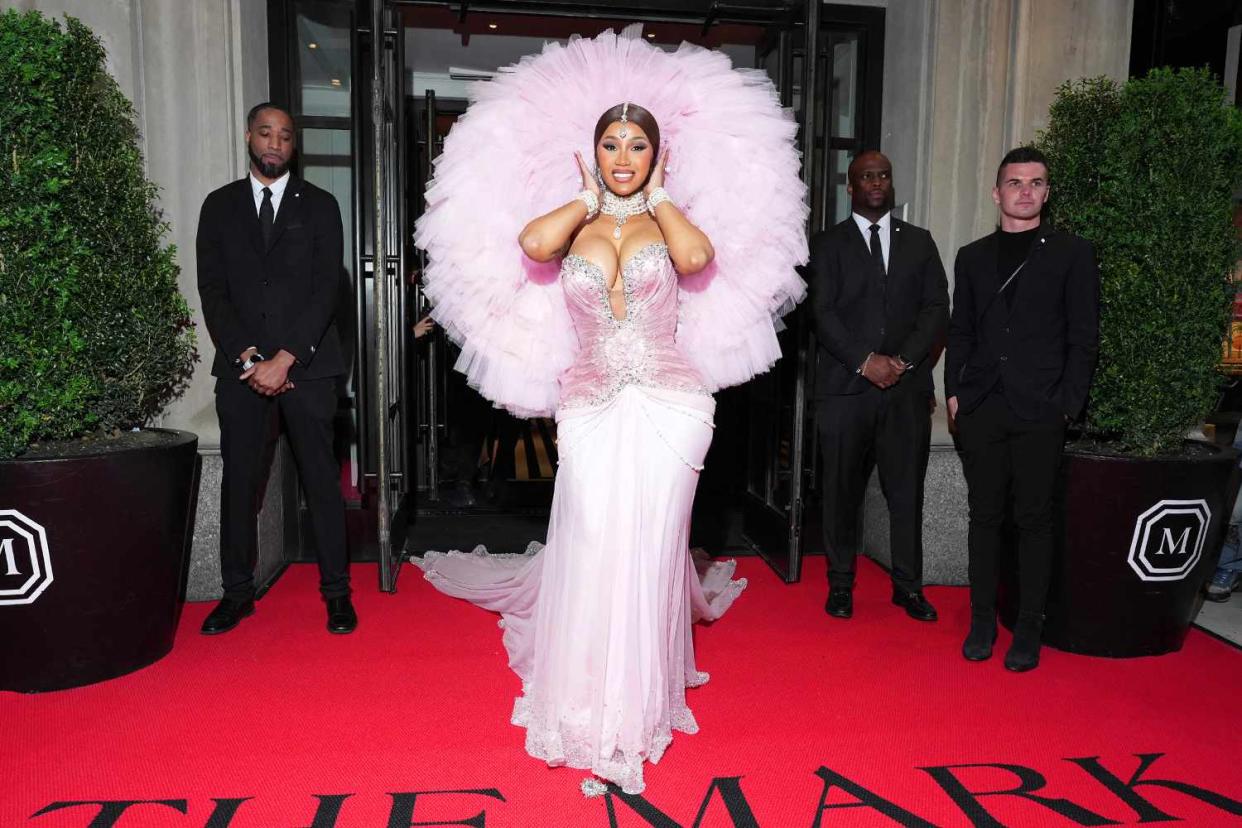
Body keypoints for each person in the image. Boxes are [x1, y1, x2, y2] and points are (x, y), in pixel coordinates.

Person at [410, 29, 808, 794]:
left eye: (637, 146)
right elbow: (532, 242)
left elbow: (695, 262)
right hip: (591, 401)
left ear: (658, 156)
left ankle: (638, 708)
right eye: (612, 145)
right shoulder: (578, 223)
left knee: (652, 547)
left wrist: (659, 196)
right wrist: (588, 198)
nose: (624, 157)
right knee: (595, 542)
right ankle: (587, 696)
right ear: (593, 153)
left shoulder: (670, 221)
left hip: (672, 401)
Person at [196, 103, 356, 635]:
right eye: (265, 132)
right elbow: (213, 292)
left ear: (294, 145)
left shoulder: (321, 205)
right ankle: (236, 593)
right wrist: (248, 356)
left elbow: (326, 290)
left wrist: (288, 357)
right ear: (249, 136)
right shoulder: (218, 207)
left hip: (308, 368)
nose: (274, 143)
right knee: (239, 483)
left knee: (321, 483)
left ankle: (337, 595)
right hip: (242, 370)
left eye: (285, 136)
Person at [946, 146, 1099, 671]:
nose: (1026, 191)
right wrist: (954, 391)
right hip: (983, 404)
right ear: (997, 192)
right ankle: (982, 622)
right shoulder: (971, 256)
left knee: (1034, 520)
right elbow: (960, 329)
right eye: (1016, 182)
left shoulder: (1072, 254)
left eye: (1036, 183)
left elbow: (1084, 337)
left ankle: (1029, 627)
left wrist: (1067, 404)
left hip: (1041, 409)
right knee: (984, 517)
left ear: (1047, 192)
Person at [808, 151, 949, 622]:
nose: (876, 182)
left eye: (884, 175)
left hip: (905, 393)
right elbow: (822, 314)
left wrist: (903, 362)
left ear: (892, 183)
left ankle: (908, 587)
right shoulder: (827, 245)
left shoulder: (920, 242)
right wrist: (865, 362)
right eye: (866, 176)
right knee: (841, 492)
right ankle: (841, 585)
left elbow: (936, 308)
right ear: (850, 187)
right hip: (845, 392)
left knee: (906, 492)